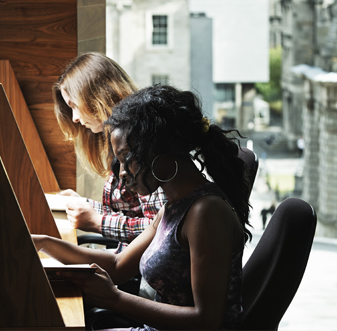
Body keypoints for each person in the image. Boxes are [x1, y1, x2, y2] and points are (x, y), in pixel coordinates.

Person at [33, 85, 252, 330]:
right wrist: (43, 243)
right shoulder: (172, 208)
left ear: (158, 150)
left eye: (127, 158)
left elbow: (206, 321)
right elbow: (117, 266)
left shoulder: (206, 213)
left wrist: (113, 298)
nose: (122, 173)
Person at [52, 52, 167, 252]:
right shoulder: (121, 139)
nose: (75, 118)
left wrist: (98, 222)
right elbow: (132, 212)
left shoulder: (140, 143)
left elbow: (161, 227)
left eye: (74, 106)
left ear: (97, 98)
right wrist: (83, 206)